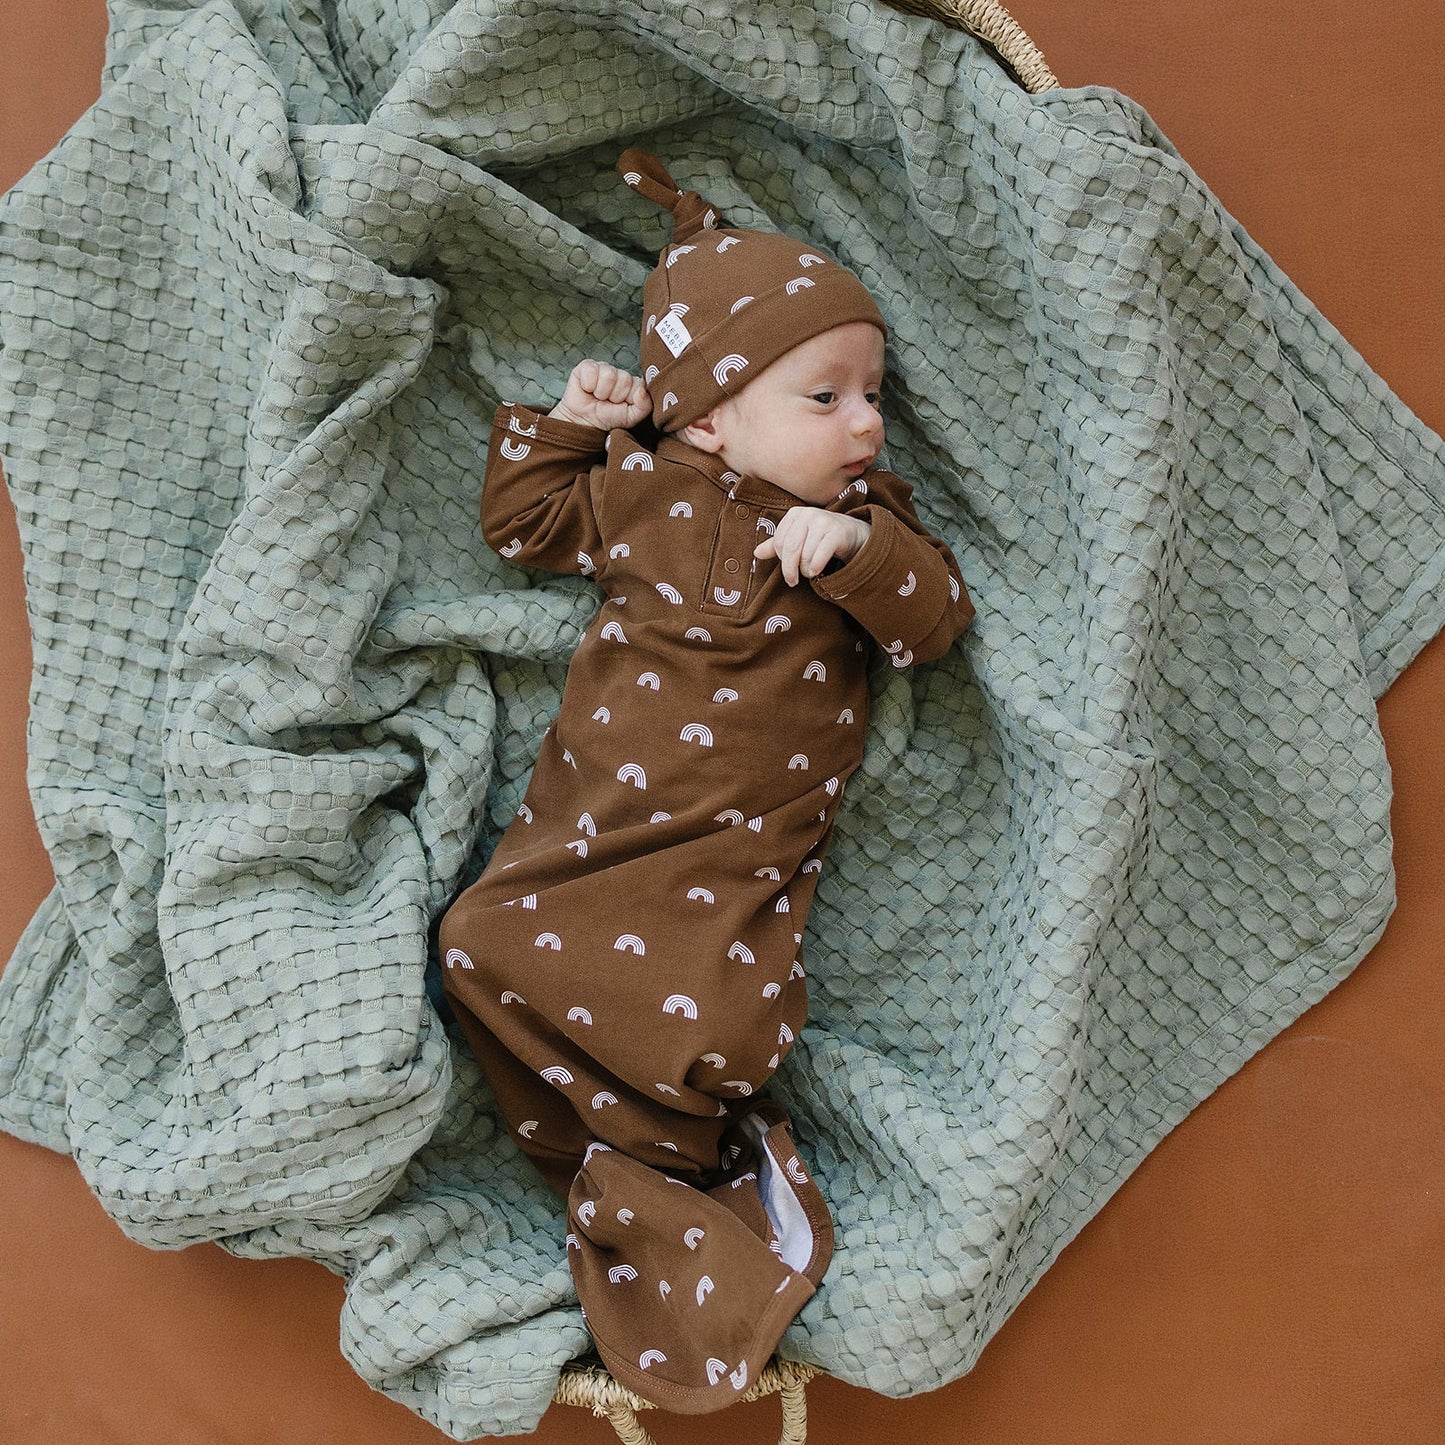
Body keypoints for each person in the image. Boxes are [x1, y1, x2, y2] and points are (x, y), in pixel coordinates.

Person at [438, 149, 975, 1413]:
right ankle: (626, 1177)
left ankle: (674, 1167)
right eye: (826, 396)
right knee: (474, 941)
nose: (866, 423)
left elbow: (935, 620)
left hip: (722, 874)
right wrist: (573, 425)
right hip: (586, 844)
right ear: (713, 417)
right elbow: (522, 525)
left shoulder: (864, 529)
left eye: (871, 393)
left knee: (697, 1024)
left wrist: (853, 551)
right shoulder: (642, 494)